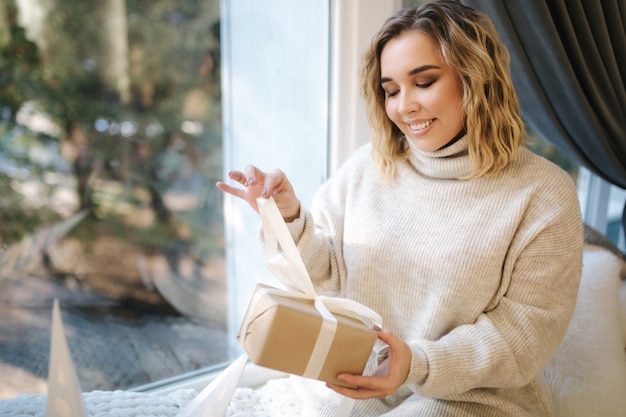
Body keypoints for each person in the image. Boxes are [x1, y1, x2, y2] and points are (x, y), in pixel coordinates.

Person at [216, 1, 583, 416]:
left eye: (424, 82)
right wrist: (287, 218)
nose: (403, 107)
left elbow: (525, 335)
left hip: (466, 398)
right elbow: (322, 276)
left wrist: (416, 363)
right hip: (348, 385)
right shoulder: (367, 167)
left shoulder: (543, 193)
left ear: (477, 79)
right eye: (390, 90)